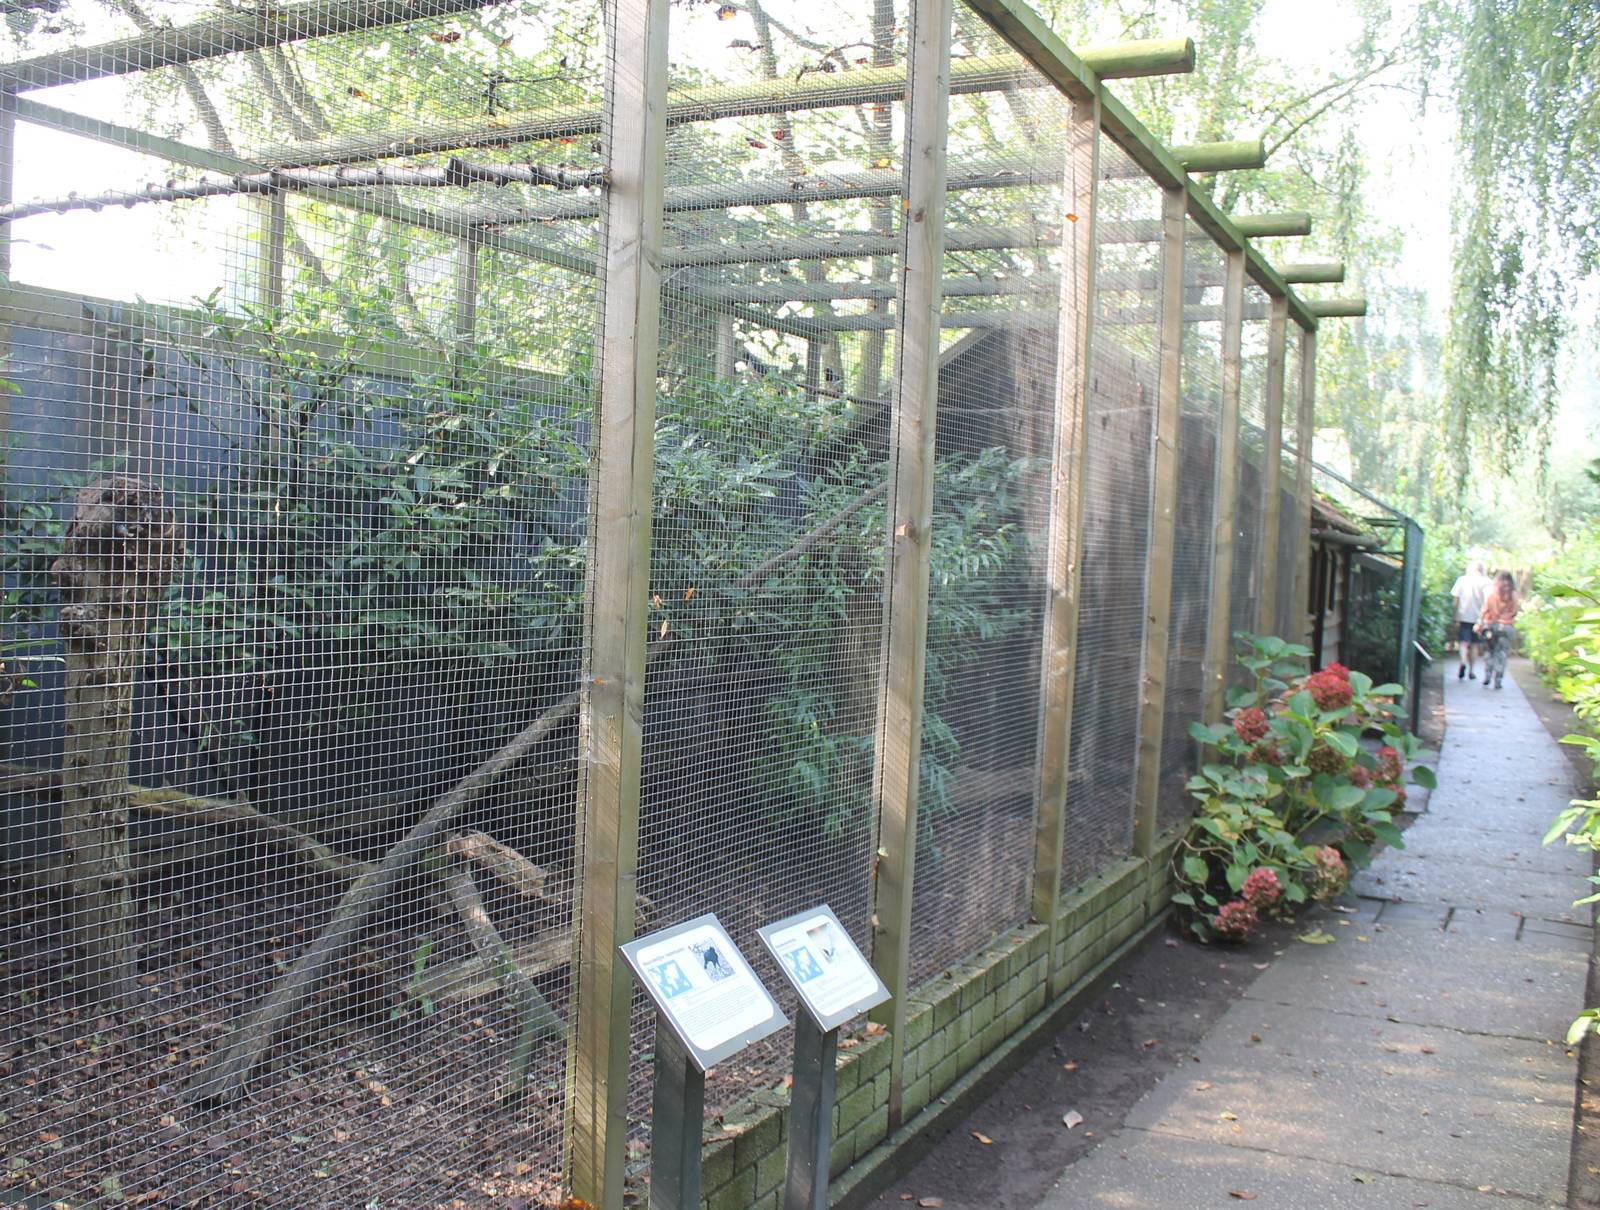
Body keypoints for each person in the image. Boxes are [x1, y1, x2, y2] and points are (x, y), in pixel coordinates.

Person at [1475, 570, 1520, 690]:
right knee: (1502, 653)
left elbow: (1485, 609)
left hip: (1491, 626)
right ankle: (1498, 679)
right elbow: (1515, 612)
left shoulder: (1492, 593)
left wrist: (1479, 622)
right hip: (1506, 627)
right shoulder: (1514, 595)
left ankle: (1488, 675)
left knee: (1489, 651)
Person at [1450, 560, 1492, 680]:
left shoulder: (1462, 580)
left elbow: (1456, 600)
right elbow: (1489, 601)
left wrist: (1454, 615)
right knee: (1475, 644)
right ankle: (1471, 671)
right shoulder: (1487, 582)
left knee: (1463, 642)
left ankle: (1463, 661)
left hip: (1464, 615)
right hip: (1479, 618)